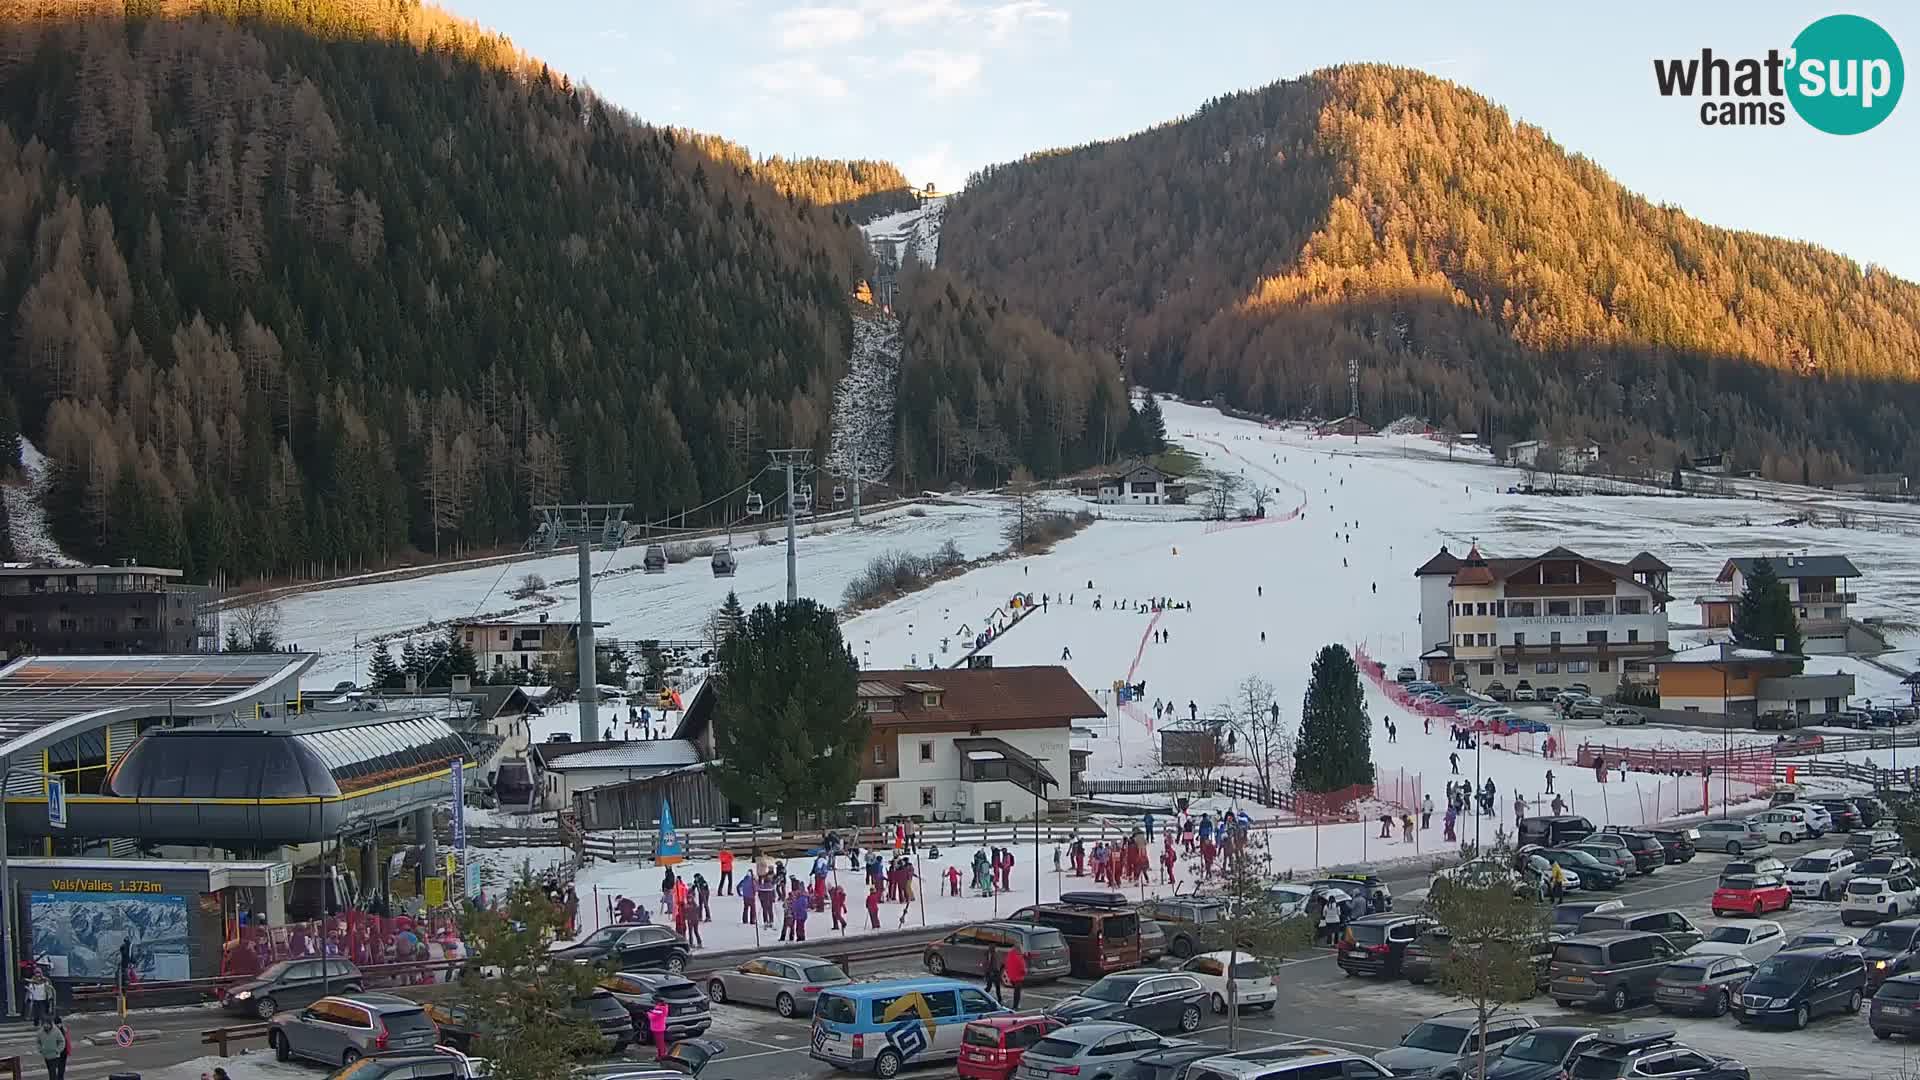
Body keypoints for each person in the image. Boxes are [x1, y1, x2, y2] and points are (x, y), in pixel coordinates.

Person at [38, 1015, 69, 1080]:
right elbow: (38, 1041)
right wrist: (41, 1049)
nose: (59, 1025)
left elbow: (64, 1041)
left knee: (56, 1071)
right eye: (57, 1023)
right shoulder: (41, 1032)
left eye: (59, 1023)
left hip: (59, 1054)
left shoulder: (58, 1031)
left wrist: (58, 1050)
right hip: (47, 1054)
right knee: (51, 1071)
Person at [1003, 942, 1027, 1008]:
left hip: (1011, 977)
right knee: (1017, 993)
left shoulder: (1010, 955)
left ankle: (1015, 1005)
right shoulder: (1019, 958)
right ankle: (1015, 1006)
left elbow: (1006, 965)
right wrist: (1025, 972)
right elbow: (1023, 969)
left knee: (1015, 992)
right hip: (1018, 978)